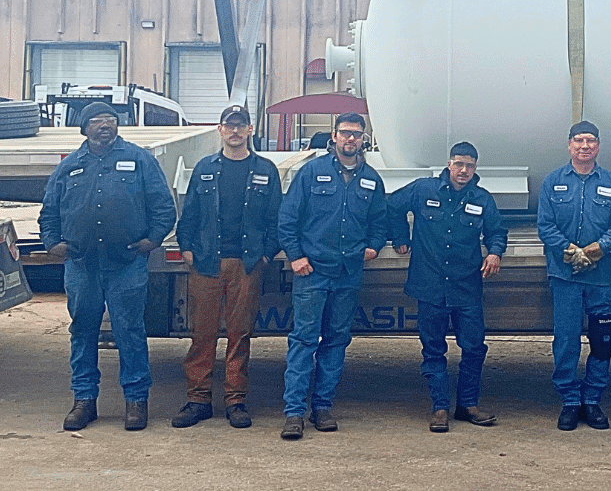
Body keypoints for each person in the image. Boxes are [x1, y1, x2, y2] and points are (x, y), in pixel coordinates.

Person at [38, 101, 177, 432]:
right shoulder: (69, 166)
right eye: (97, 121)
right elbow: (49, 211)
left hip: (126, 264)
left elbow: (163, 206)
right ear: (84, 128)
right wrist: (52, 243)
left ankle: (136, 401)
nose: (105, 125)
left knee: (130, 332)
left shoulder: (140, 159)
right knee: (83, 332)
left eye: (110, 120)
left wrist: (153, 240)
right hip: (82, 266)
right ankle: (84, 401)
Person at [277, 112, 387, 440]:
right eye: (345, 132)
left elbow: (379, 221)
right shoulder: (311, 172)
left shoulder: (371, 179)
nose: (351, 138)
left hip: (347, 274)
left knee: (336, 342)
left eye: (357, 134)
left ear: (363, 139)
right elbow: (287, 218)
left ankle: (322, 408)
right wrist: (296, 256)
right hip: (312, 272)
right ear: (334, 135)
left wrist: (374, 246)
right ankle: (294, 413)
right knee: (304, 341)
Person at [172, 104, 283, 429]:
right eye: (229, 125)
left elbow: (276, 218)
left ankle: (236, 401)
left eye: (240, 125)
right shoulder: (205, 168)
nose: (235, 131)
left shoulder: (266, 170)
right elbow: (190, 214)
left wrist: (265, 255)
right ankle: (198, 400)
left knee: (240, 335)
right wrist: (187, 248)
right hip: (207, 263)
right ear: (220, 130)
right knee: (202, 334)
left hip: (246, 265)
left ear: (250, 129)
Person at [387, 142, 508, 433]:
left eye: (470, 165)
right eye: (459, 164)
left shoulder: (482, 199)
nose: (464, 170)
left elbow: (497, 231)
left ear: (475, 168)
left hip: (466, 287)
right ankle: (439, 408)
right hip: (430, 286)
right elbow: (392, 206)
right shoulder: (423, 189)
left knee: (474, 348)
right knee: (433, 350)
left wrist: (495, 252)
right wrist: (401, 236)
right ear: (449, 164)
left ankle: (468, 405)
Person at [536, 120, 611, 431]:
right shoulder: (553, 182)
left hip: (601, 278)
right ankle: (570, 401)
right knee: (566, 340)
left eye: (590, 140)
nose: (584, 146)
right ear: (569, 145)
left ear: (598, 146)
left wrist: (593, 252)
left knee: (602, 340)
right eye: (579, 140)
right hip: (565, 278)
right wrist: (571, 251)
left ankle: (592, 399)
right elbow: (545, 225)